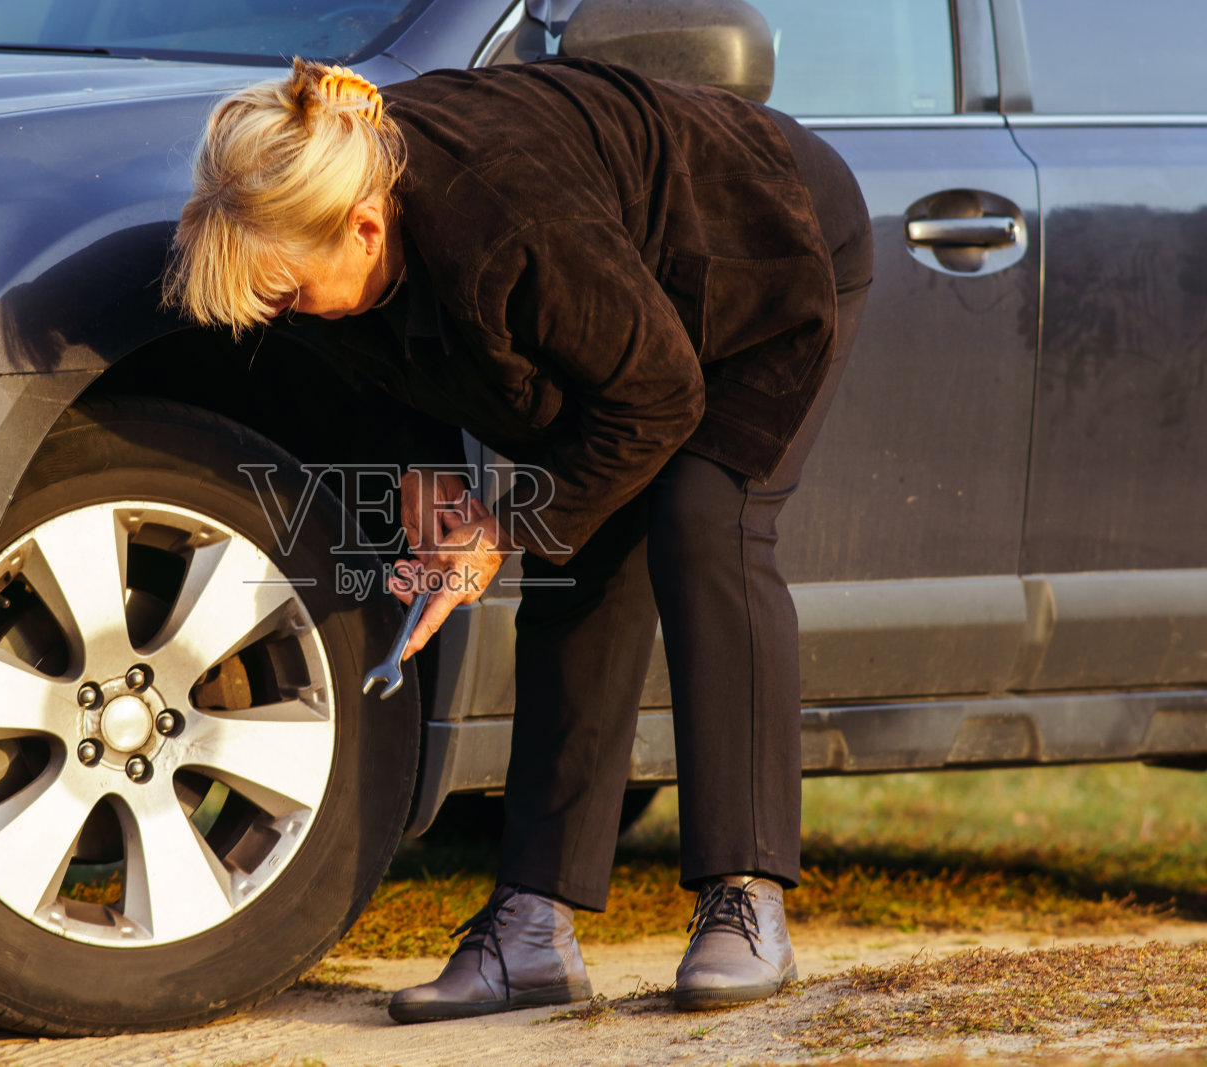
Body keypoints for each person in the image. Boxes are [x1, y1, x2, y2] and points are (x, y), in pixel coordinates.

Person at [163, 56, 872, 1022]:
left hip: (762, 253)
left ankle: (745, 898)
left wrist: (496, 531)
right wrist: (424, 478)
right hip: (618, 309)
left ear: (365, 228)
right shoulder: (337, 212)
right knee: (576, 556)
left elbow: (660, 394)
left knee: (704, 521)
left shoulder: (507, 222)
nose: (282, 314)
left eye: (287, 295)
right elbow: (368, 359)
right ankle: (532, 928)